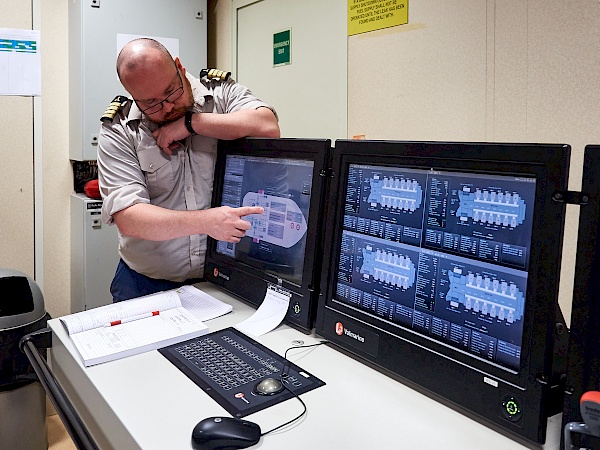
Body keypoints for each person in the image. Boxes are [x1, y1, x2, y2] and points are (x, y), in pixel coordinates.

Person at [97, 38, 280, 302]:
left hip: (222, 278)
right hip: (145, 283)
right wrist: (207, 222)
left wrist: (193, 123)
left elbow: (267, 126)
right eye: (152, 104)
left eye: (171, 92)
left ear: (180, 68)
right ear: (134, 98)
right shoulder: (119, 128)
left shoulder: (221, 95)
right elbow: (130, 217)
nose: (167, 107)